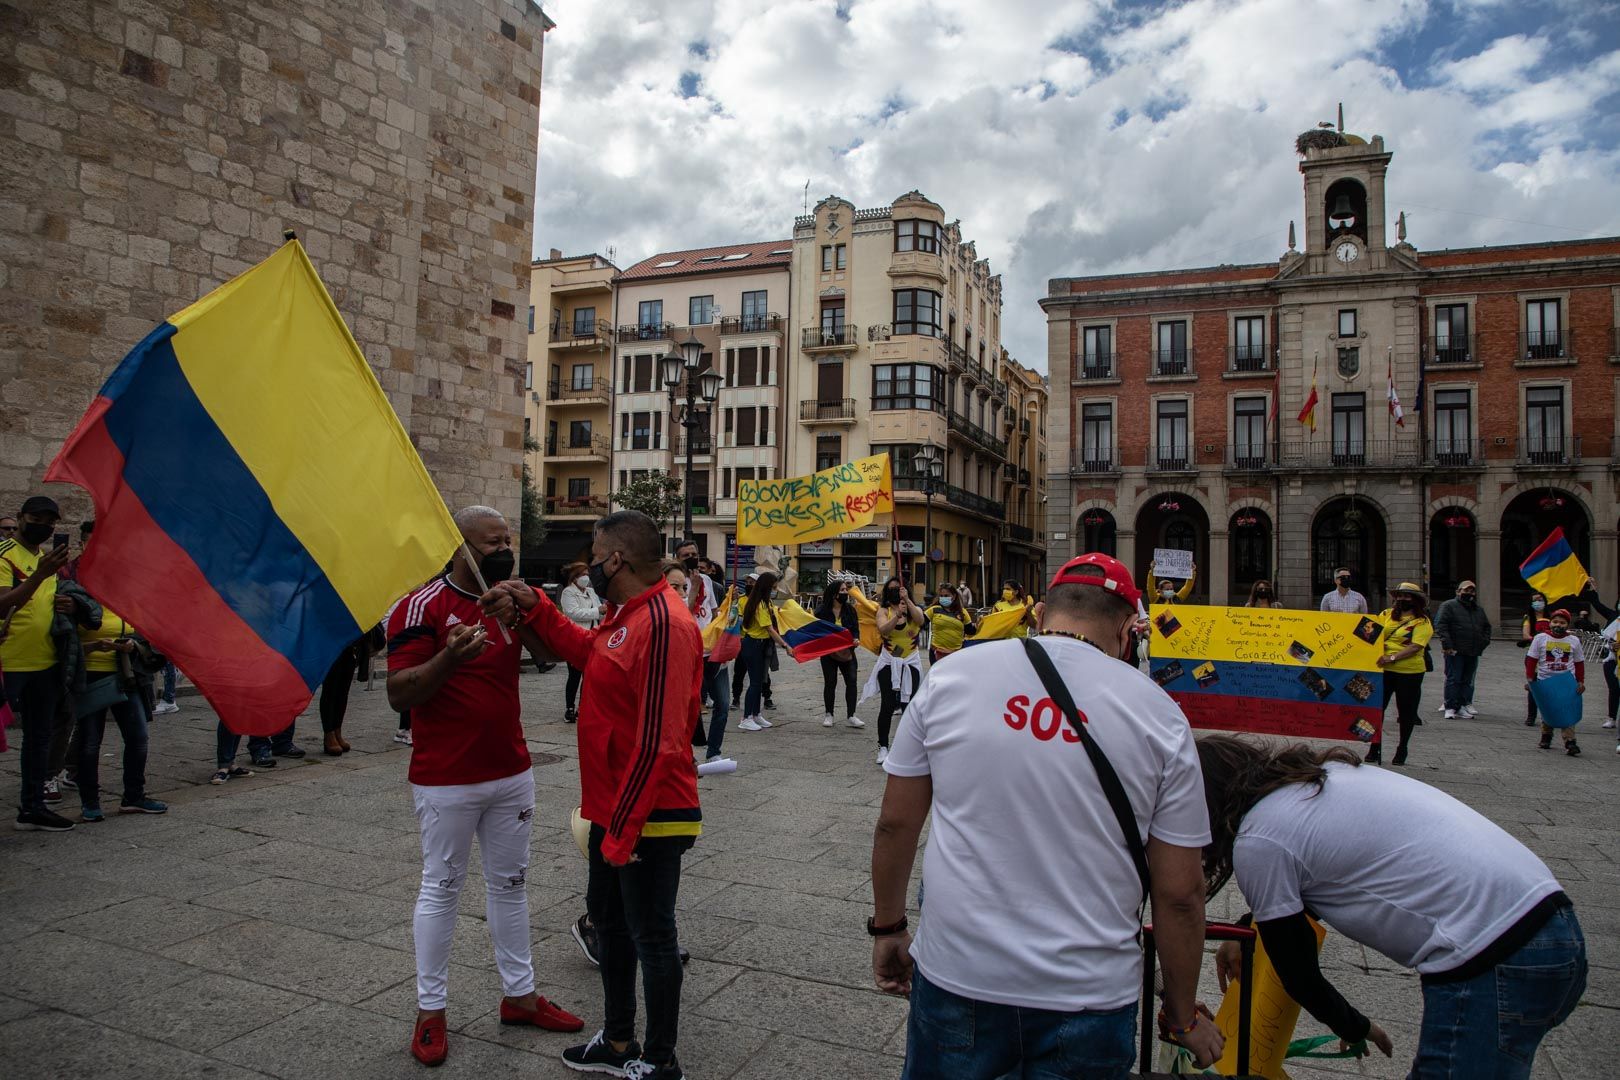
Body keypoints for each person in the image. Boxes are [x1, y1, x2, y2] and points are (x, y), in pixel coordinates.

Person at [870, 553, 1222, 1078]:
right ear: (1130, 629)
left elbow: (895, 825)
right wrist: (1180, 1014)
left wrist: (890, 926)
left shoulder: (953, 676)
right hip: (1091, 993)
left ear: (1038, 617)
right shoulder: (1160, 715)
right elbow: (1180, 894)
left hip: (960, 974)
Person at [1199, 735, 1585, 1078]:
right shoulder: (1316, 779)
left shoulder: (1260, 838)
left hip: (1492, 958)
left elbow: (1296, 969)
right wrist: (1250, 927)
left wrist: (1352, 1025)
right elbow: (1321, 873)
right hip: (1554, 929)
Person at [487, 509, 703, 1080]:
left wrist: (623, 834)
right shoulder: (625, 614)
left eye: (595, 550)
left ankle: (659, 1060)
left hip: (650, 815)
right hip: (614, 810)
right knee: (609, 927)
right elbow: (587, 654)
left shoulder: (664, 623)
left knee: (653, 936)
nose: (589, 559)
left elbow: (661, 742)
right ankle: (618, 1040)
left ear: (617, 560)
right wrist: (540, 608)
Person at [386, 506, 584, 1067]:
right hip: (447, 777)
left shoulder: (508, 600)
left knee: (511, 884)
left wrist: (526, 614)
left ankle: (519, 996)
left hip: (512, 772)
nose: (504, 551)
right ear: (460, 547)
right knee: (441, 886)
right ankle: (431, 1010)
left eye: (507, 541)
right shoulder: (421, 605)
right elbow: (400, 694)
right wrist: (449, 657)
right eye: (492, 543)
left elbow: (549, 661)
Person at [1, 495, 78, 831]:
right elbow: (3, 606)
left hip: (44, 662)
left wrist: (66, 605)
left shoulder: (47, 561)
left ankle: (32, 806)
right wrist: (38, 577)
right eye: (37, 518)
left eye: (50, 521)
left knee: (39, 737)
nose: (44, 526)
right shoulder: (5, 555)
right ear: (20, 517)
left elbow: (43, 606)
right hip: (8, 662)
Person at [74, 606, 167, 820]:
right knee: (90, 742)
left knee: (138, 738)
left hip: (125, 676)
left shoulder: (121, 599)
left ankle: (133, 796)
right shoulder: (78, 600)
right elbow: (66, 647)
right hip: (90, 677)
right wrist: (97, 645)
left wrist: (132, 644)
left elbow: (144, 634)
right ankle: (90, 802)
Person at [1367, 582, 1432, 766]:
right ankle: (1374, 745)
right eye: (1399, 596)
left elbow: (1416, 647)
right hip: (1383, 671)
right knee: (1377, 709)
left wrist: (1392, 657)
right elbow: (1366, 633)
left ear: (1416, 600)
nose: (1402, 599)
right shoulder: (1386, 614)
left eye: (1407, 596)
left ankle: (1402, 747)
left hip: (1409, 672)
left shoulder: (1422, 621)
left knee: (1406, 712)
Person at [862, 576, 925, 765]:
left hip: (911, 662)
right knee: (888, 705)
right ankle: (883, 746)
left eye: (898, 588)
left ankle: (907, 748)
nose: (895, 591)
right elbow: (884, 631)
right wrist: (896, 615)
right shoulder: (883, 610)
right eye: (891, 589)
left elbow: (920, 620)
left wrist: (908, 602)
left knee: (910, 707)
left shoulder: (913, 608)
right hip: (889, 662)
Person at [734, 571, 790, 733]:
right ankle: (746, 718)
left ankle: (756, 713)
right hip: (753, 644)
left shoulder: (763, 602)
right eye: (773, 587)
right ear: (766, 587)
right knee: (755, 682)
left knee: (759, 681)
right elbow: (769, 629)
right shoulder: (760, 604)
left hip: (760, 644)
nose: (775, 589)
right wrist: (785, 645)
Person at [1527, 609, 1584, 756]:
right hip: (1546, 680)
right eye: (1555, 621)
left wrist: (1580, 681)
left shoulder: (1574, 641)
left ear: (1567, 624)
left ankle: (1570, 741)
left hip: (1566, 681)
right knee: (1548, 710)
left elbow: (1579, 663)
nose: (1558, 624)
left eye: (1562, 622)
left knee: (1567, 711)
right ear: (1550, 623)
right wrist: (1530, 679)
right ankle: (1546, 735)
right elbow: (1531, 660)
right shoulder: (1540, 638)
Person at [1433, 580, 1491, 720]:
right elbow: (1441, 625)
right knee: (1454, 678)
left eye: (1472, 591)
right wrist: (1448, 645)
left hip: (1472, 650)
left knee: (1467, 679)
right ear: (1458, 592)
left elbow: (1486, 627)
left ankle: (1462, 706)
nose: (1469, 593)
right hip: (1455, 650)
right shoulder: (1448, 606)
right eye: (1466, 590)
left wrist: (1483, 642)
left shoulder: (1478, 610)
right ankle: (1450, 706)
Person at [319, 628, 377, 756]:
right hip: (332, 642)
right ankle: (329, 734)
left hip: (351, 643)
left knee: (343, 691)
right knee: (331, 690)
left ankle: (337, 730)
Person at [814, 580, 864, 728]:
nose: (845, 592)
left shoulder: (850, 610)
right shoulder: (822, 611)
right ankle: (829, 714)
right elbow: (816, 630)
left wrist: (856, 639)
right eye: (842, 590)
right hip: (828, 652)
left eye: (846, 589)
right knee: (830, 682)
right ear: (835, 593)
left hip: (847, 652)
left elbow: (855, 629)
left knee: (852, 681)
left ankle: (851, 715)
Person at [559, 561, 604, 724]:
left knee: (589, 675)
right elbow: (574, 613)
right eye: (582, 575)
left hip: (593, 636)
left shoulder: (591, 592)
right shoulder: (568, 593)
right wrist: (596, 611)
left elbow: (600, 612)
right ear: (574, 576)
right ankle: (569, 708)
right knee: (574, 674)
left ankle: (583, 707)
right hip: (576, 636)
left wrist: (599, 613)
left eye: (587, 574)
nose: (585, 578)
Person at [1518, 592, 1550, 727]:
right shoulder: (1528, 618)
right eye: (1535, 600)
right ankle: (1531, 716)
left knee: (1548, 686)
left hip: (1550, 655)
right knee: (1533, 685)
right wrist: (1537, 638)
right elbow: (1526, 634)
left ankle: (1548, 715)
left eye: (1540, 599)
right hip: (1534, 655)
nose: (1538, 602)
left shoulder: (1552, 617)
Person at [924, 584, 975, 662]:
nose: (943, 598)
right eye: (941, 596)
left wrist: (979, 624)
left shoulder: (962, 612)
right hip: (936, 653)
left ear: (954, 596)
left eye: (946, 595)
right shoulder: (934, 610)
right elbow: (921, 623)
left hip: (956, 654)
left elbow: (970, 631)